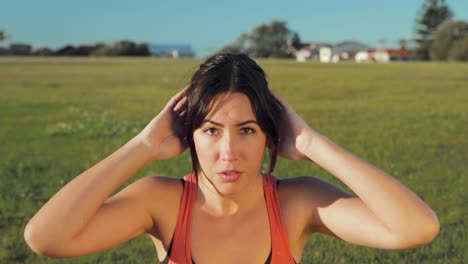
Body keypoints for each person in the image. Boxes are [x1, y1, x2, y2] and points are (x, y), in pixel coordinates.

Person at [24, 53, 440, 263]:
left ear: (269, 136)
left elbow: (415, 228)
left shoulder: (296, 204)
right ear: (190, 134)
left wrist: (312, 143)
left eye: (246, 130)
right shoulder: (162, 203)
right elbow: (45, 239)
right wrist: (142, 147)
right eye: (210, 130)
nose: (229, 153)